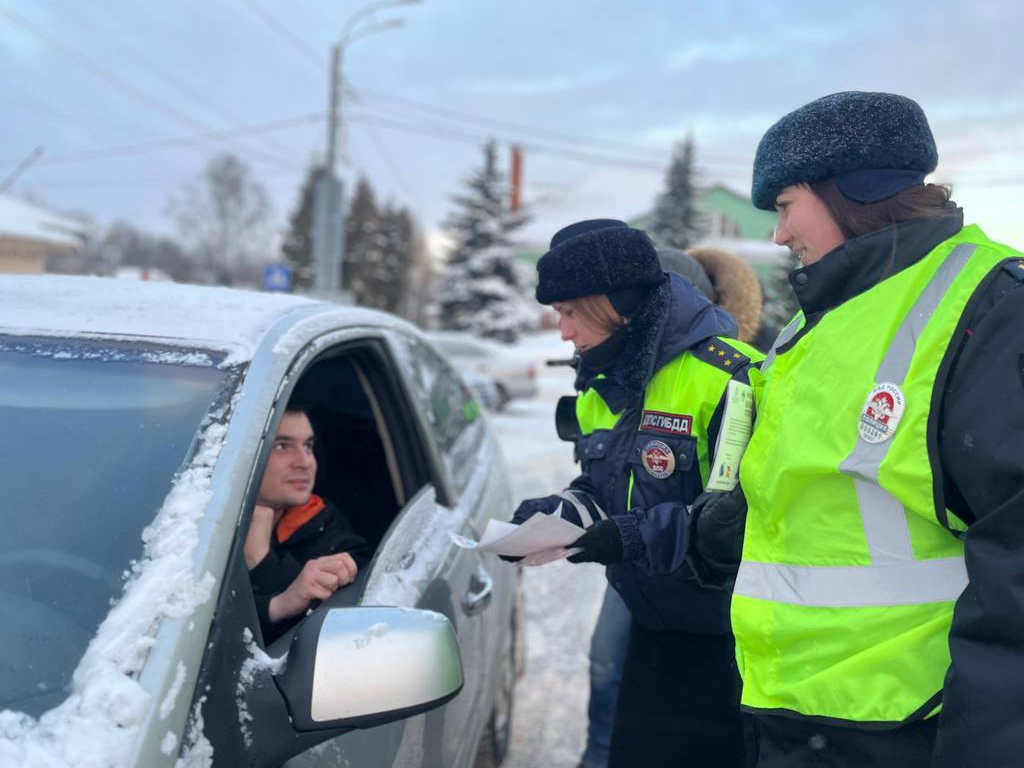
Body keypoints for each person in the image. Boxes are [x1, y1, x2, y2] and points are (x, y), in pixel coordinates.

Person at [724, 91, 1024, 767]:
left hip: (913, 724)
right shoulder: (815, 324)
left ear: (851, 191)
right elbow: (788, 509)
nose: (778, 234)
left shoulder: (990, 307)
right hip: (794, 713)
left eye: (784, 206)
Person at [512, 219, 763, 768]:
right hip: (652, 621)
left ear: (613, 306)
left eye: (570, 313)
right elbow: (601, 487)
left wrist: (626, 536)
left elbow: (741, 519)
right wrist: (559, 513)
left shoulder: (726, 377)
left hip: (725, 636)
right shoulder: (604, 382)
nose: (562, 332)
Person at [244, 406, 370, 643]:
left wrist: (263, 564)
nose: (305, 462)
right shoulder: (192, 529)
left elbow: (336, 642)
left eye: (308, 446)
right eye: (282, 446)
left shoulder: (337, 543)